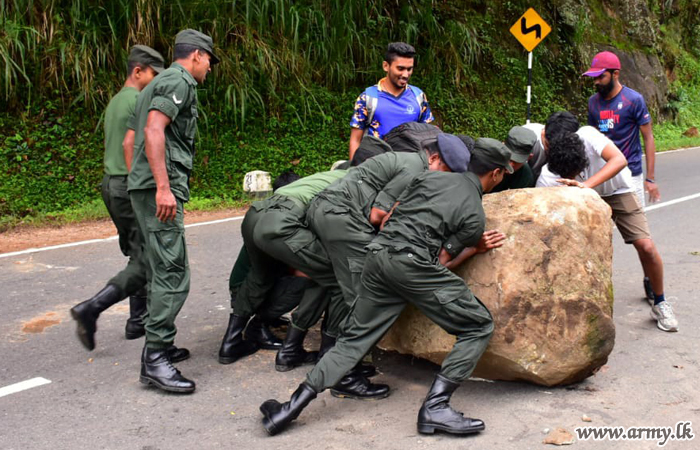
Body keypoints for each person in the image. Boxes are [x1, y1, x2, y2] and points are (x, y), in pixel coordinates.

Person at [258, 138, 511, 437]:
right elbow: (440, 263)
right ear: (495, 174)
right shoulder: (473, 213)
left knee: (353, 340)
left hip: (377, 258)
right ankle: (436, 407)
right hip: (410, 265)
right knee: (478, 325)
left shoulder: (427, 177)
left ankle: (289, 409)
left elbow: (391, 214)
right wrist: (474, 248)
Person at [128, 29, 219, 393]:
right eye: (209, 60)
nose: (209, 68)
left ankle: (161, 346)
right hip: (157, 190)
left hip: (147, 186)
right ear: (196, 55)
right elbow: (153, 130)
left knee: (159, 266)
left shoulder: (160, 82)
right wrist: (163, 187)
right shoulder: (179, 80)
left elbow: (134, 137)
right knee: (173, 271)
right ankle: (154, 359)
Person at [536, 112, 678, 333]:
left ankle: (660, 302)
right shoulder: (548, 173)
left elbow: (619, 159)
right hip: (581, 200)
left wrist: (587, 185)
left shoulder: (588, 135)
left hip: (616, 190)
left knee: (646, 246)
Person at [70, 45, 164, 351]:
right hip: (127, 185)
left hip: (111, 184)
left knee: (137, 252)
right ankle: (91, 308)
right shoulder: (138, 100)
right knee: (148, 259)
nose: (155, 81)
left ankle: (137, 322)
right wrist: (149, 185)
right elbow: (129, 143)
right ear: (138, 71)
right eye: (153, 74)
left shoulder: (116, 101)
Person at [584, 50, 660, 207]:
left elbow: (648, 137)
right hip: (603, 175)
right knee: (601, 227)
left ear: (615, 74)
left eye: (601, 77)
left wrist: (650, 178)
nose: (596, 82)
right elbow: (590, 139)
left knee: (636, 228)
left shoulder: (633, 100)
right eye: (594, 78)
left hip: (630, 174)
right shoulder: (593, 102)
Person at [348, 42, 434, 159]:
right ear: (386, 66)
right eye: (400, 68)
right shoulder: (368, 98)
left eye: (409, 69)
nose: (405, 74)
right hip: (375, 166)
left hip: (410, 167)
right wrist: (355, 170)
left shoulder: (418, 96)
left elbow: (429, 137)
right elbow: (355, 140)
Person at [490, 126, 538, 192]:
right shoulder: (487, 159)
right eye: (508, 157)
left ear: (529, 157)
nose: (510, 164)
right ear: (502, 145)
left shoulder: (526, 177)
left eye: (517, 161)